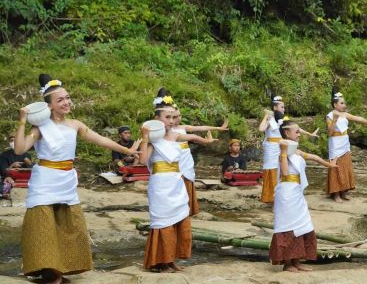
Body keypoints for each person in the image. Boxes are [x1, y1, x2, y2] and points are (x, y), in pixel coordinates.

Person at [14, 74, 141, 284]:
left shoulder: (75, 124)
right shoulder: (40, 128)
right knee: (43, 227)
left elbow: (101, 140)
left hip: (66, 179)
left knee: (67, 225)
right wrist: (21, 121)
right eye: (60, 100)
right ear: (49, 106)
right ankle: (51, 274)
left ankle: (61, 271)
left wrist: (126, 149)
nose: (66, 102)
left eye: (67, 98)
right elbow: (19, 149)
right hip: (45, 179)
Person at [139, 88, 218, 273]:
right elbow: (142, 161)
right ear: (157, 119)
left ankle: (172, 259)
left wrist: (206, 141)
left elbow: (192, 135)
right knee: (163, 223)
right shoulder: (151, 139)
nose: (172, 121)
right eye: (168, 117)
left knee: (180, 220)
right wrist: (144, 137)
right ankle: (161, 262)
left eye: (174, 117)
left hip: (176, 182)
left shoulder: (175, 135)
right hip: (160, 186)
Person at [269, 120, 337, 272]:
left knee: (302, 225)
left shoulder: (297, 152)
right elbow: (285, 173)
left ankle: (297, 261)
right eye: (297, 131)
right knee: (288, 227)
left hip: (297, 193)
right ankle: (287, 263)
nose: (299, 134)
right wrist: (284, 152)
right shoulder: (283, 152)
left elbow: (313, 157)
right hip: (286, 194)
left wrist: (329, 165)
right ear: (287, 133)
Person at [258, 94, 318, 203]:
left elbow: (296, 128)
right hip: (271, 148)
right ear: (275, 108)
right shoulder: (270, 120)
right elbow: (261, 129)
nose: (283, 109)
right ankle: (269, 197)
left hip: (281, 147)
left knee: (281, 169)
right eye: (282, 107)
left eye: (284, 107)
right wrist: (266, 116)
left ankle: (280, 196)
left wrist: (309, 133)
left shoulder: (284, 120)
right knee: (271, 169)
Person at [171, 107, 228, 216]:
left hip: (185, 157)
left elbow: (200, 128)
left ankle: (189, 208)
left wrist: (218, 128)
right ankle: (177, 210)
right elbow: (193, 137)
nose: (178, 118)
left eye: (179, 116)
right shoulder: (167, 131)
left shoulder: (182, 127)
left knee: (188, 180)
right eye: (175, 116)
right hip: (174, 158)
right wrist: (207, 141)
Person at [326, 88, 367, 203]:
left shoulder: (344, 114)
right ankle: (335, 194)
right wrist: (335, 120)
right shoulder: (330, 116)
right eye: (341, 103)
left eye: (344, 103)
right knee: (336, 167)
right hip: (335, 142)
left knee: (345, 166)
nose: (344, 105)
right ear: (335, 104)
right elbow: (330, 132)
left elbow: (358, 118)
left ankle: (344, 191)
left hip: (344, 142)